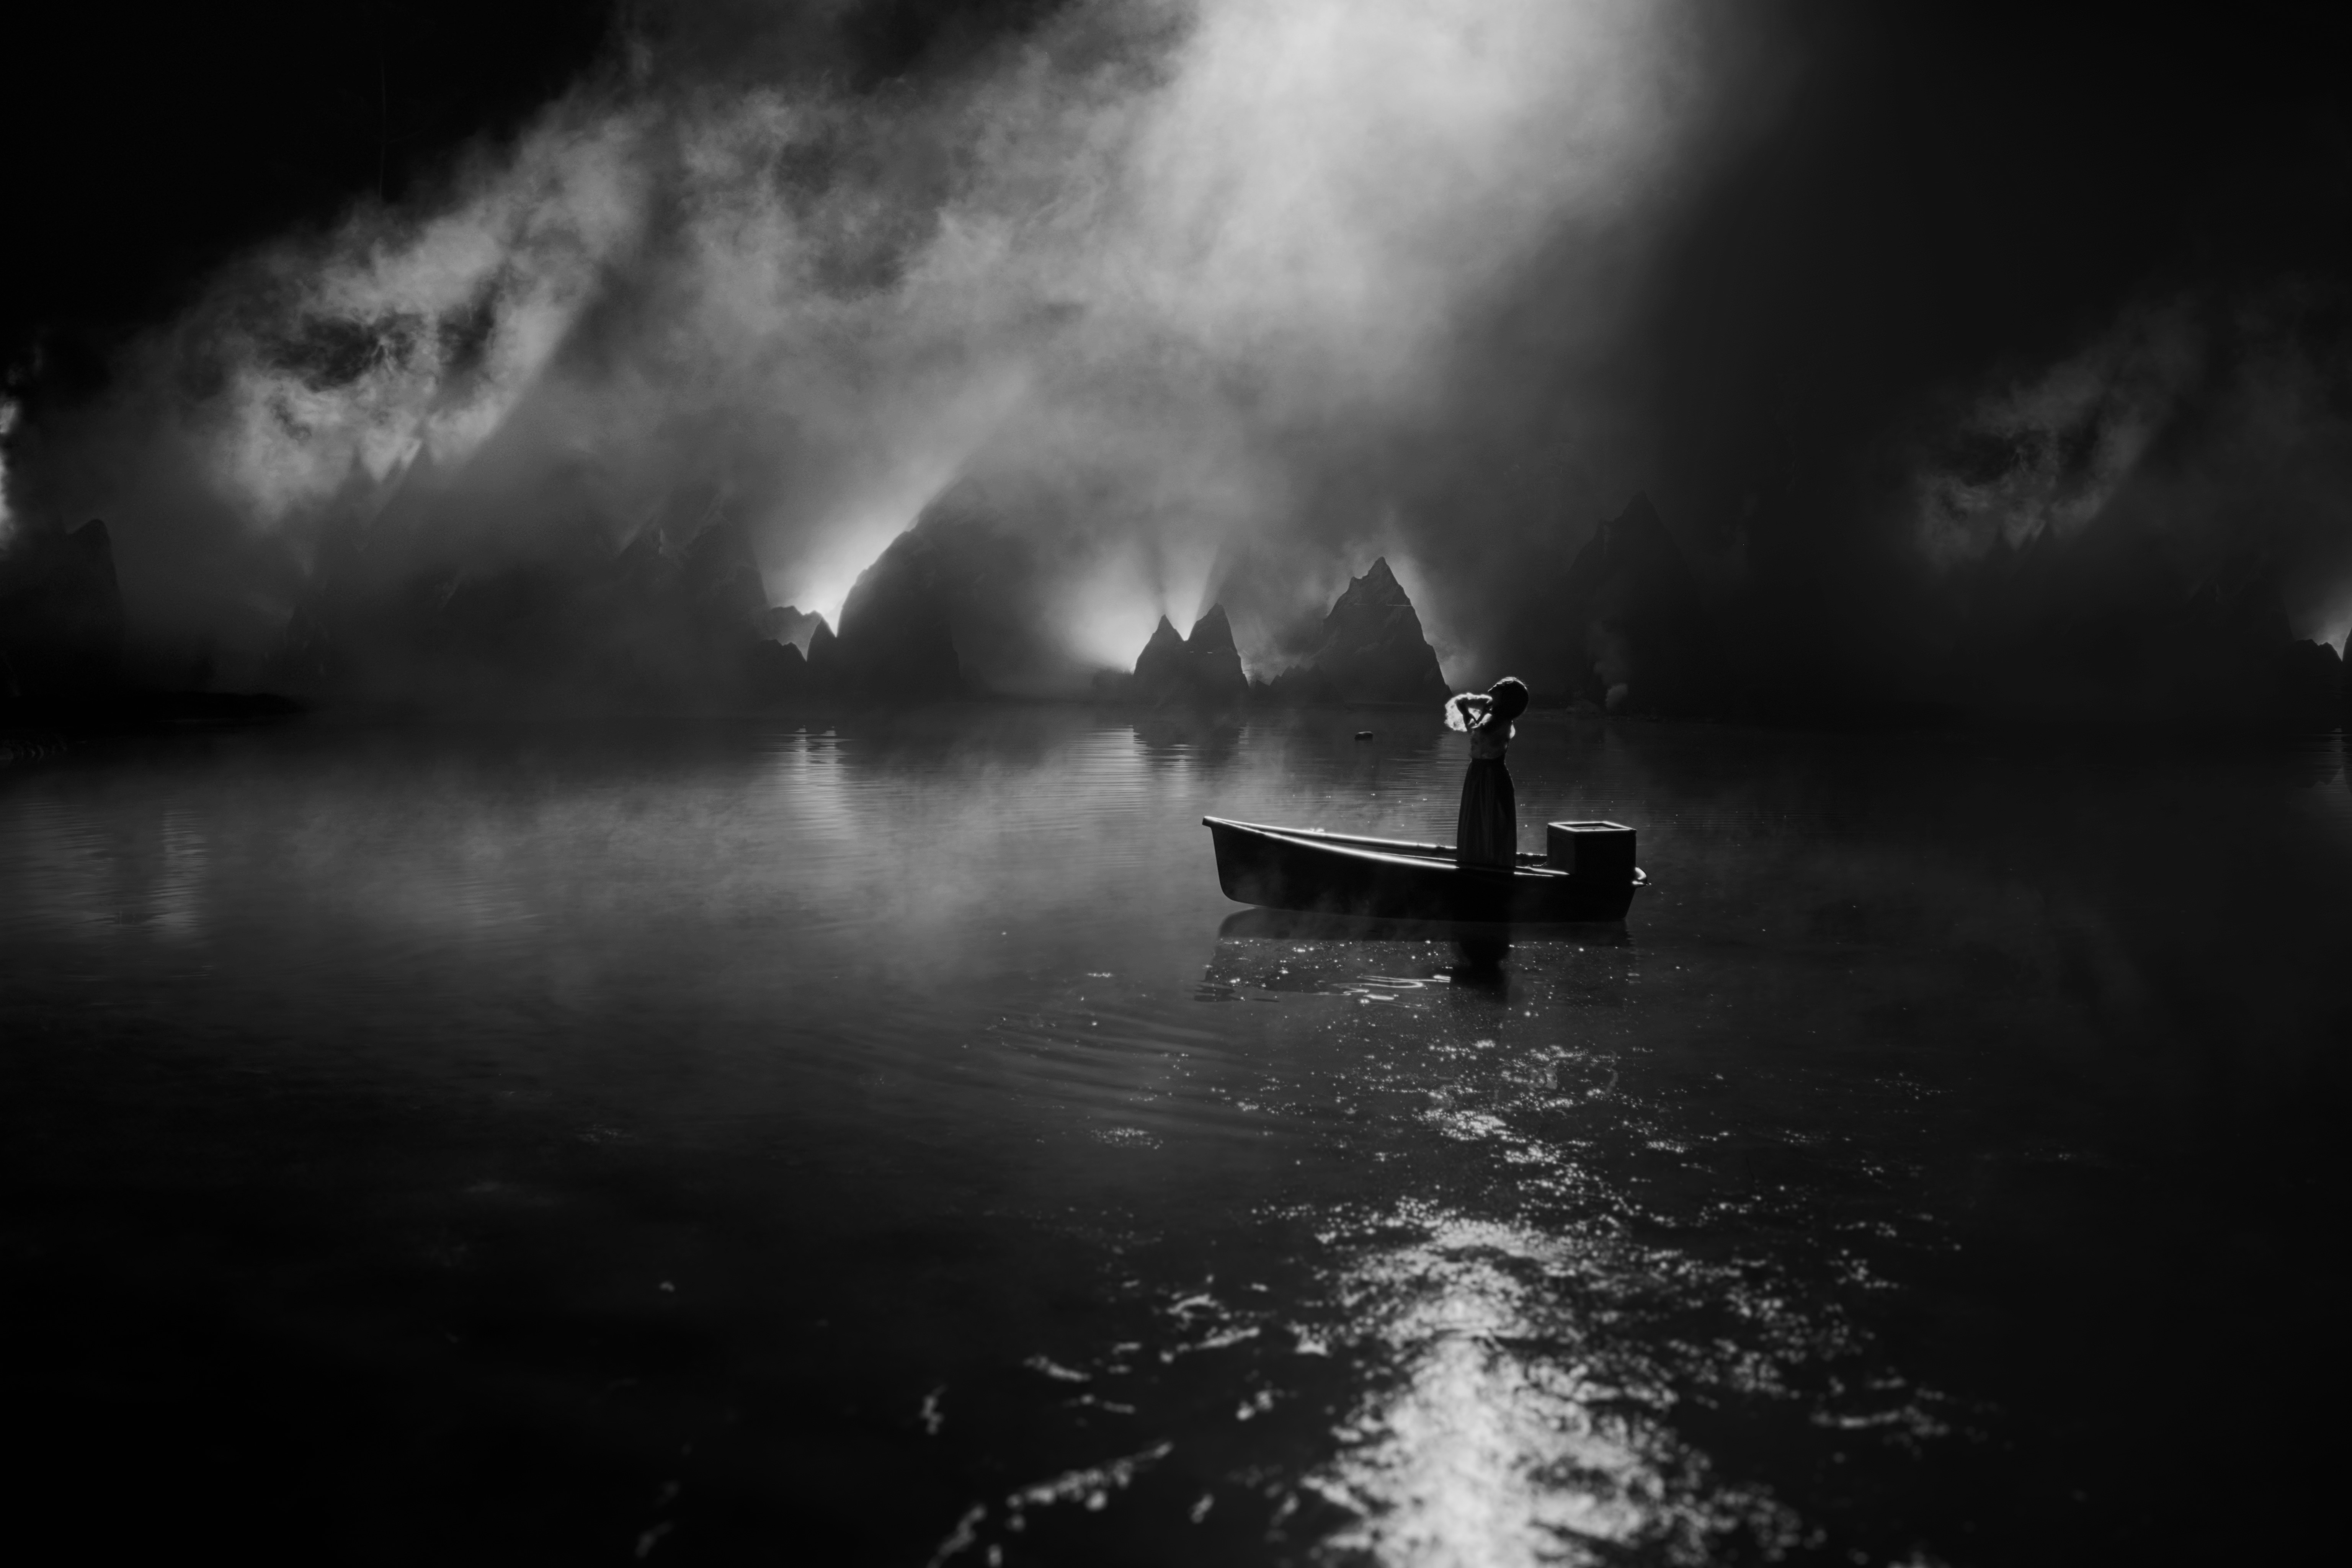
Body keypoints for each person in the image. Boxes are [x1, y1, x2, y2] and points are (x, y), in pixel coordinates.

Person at [1446, 677, 1529, 868]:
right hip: (1479, 774)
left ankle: (1486, 867)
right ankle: (1475, 860)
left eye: (1502, 686)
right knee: (1478, 822)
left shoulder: (1501, 720)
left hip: (1490, 778)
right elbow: (1477, 732)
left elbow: (1477, 734)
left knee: (1488, 825)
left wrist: (1465, 711)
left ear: (1506, 697)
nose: (1497, 685)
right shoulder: (1493, 716)